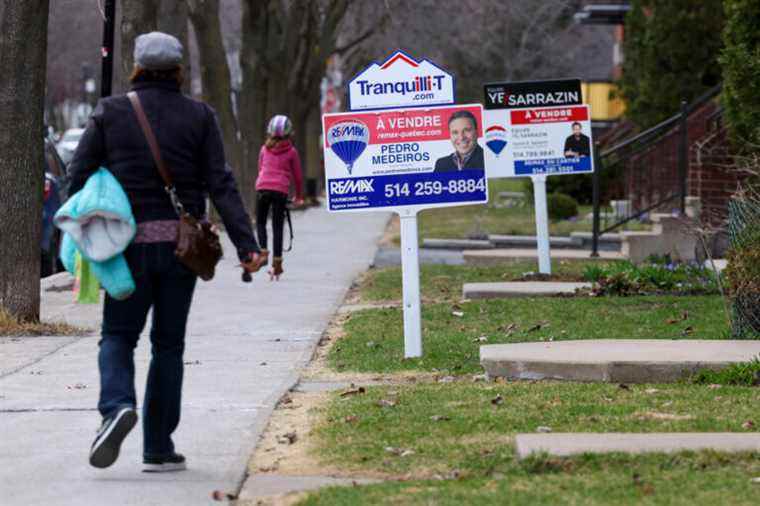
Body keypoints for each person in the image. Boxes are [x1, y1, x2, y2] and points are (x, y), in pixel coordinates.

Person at [67, 32, 263, 472]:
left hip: (126, 251)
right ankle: (158, 446)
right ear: (178, 70)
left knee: (118, 336)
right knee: (168, 345)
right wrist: (247, 245)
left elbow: (77, 178)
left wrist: (82, 228)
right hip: (182, 250)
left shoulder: (110, 113)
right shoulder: (199, 116)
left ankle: (117, 405)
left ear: (135, 67)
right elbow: (222, 184)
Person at [255, 115, 304, 281]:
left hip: (263, 188)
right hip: (280, 191)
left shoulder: (263, 149)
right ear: (289, 133)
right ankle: (277, 263)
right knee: (277, 226)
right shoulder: (292, 151)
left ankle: (262, 251)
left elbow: (260, 169)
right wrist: (298, 196)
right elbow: (297, 177)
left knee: (260, 222)